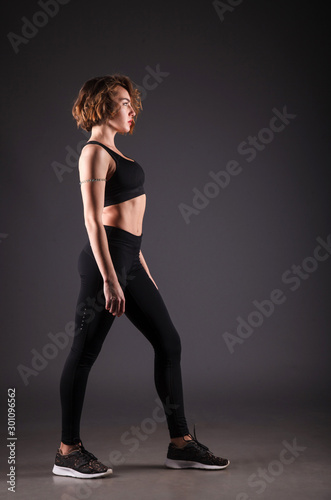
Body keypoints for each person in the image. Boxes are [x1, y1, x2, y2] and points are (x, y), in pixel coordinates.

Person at [52, 74, 230, 478]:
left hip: (129, 261)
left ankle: (181, 444)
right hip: (105, 265)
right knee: (84, 354)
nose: (131, 108)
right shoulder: (93, 152)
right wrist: (111, 278)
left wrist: (141, 269)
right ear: (101, 105)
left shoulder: (118, 153)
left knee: (169, 342)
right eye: (122, 101)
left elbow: (130, 224)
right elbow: (93, 221)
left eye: (132, 102)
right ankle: (67, 450)